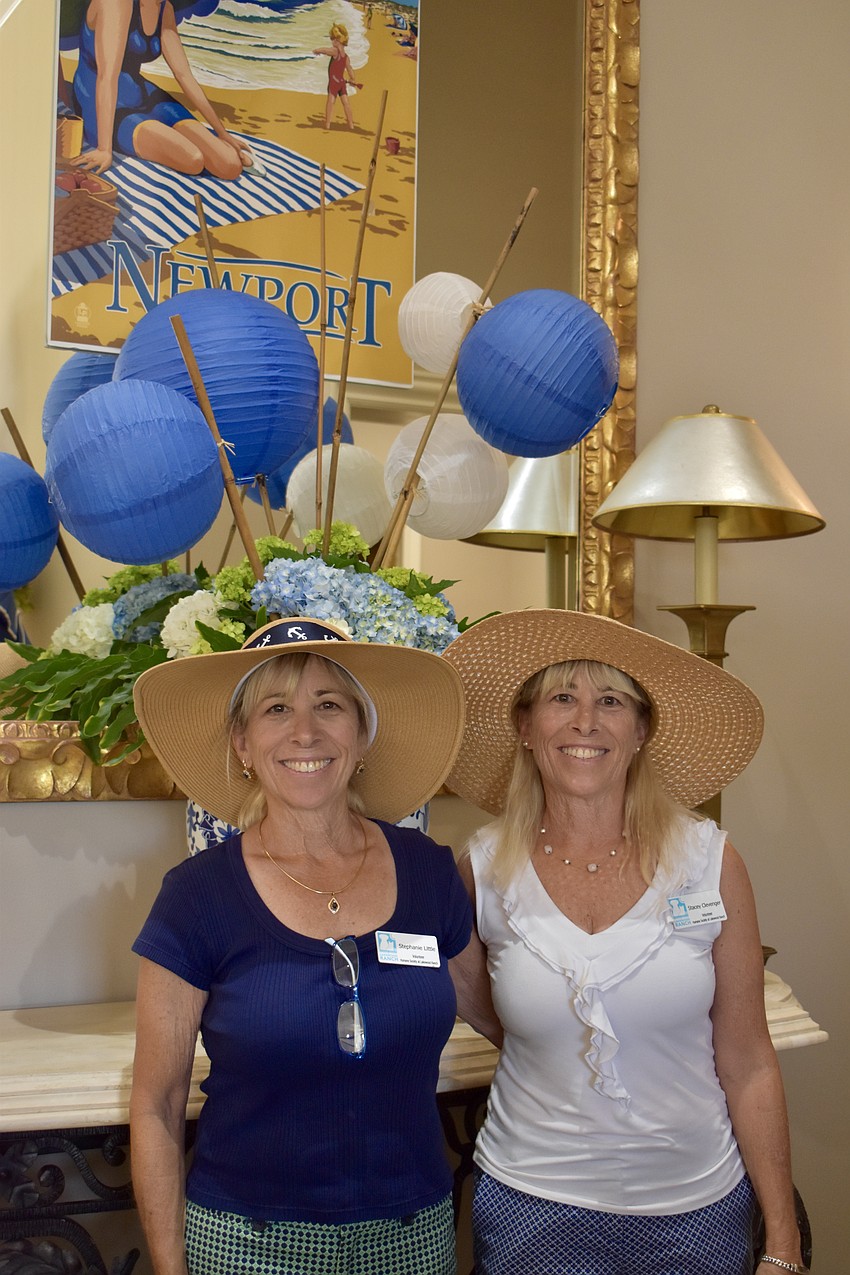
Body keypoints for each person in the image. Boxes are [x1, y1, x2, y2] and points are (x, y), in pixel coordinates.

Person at [445, 609, 808, 1275]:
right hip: (532, 1207)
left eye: (611, 700)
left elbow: (750, 1061)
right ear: (526, 726)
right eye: (563, 698)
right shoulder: (484, 866)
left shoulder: (710, 861)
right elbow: (476, 999)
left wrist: (782, 1243)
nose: (586, 721)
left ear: (641, 730)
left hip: (696, 1211)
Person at [130, 617, 471, 1275]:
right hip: (247, 1245)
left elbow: (513, 1019)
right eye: (277, 708)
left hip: (412, 1239)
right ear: (243, 743)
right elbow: (157, 1103)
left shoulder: (429, 872)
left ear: (362, 735)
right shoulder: (196, 895)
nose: (305, 731)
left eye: (329, 705)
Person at [71, 0, 251, 177]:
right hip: (100, 100)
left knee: (229, 165)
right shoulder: (117, 3)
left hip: (142, 93)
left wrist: (222, 133)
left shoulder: (164, 8)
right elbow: (107, 77)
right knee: (193, 159)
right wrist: (104, 149)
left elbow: (184, 75)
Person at [313, 23, 359, 131]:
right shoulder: (346, 56)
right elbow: (350, 69)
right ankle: (351, 124)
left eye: (332, 38)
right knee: (346, 103)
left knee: (330, 102)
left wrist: (317, 50)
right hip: (342, 83)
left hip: (334, 83)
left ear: (338, 40)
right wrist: (352, 79)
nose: (331, 41)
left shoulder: (335, 51)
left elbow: (326, 50)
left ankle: (328, 124)